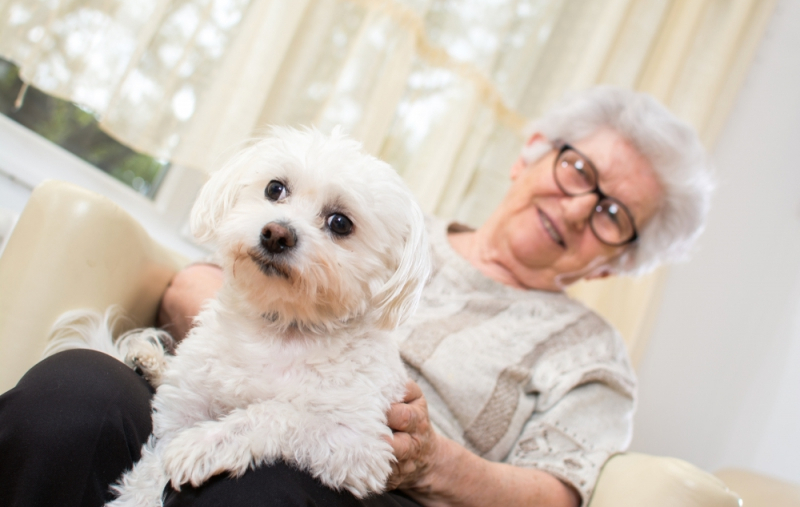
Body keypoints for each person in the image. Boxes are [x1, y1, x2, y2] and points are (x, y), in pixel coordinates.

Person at [0, 86, 713, 507]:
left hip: (368, 486)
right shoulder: (386, 224)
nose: (581, 205)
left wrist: (433, 458)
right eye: (577, 166)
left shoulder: (593, 355)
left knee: (262, 491)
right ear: (530, 151)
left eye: (615, 213)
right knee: (74, 396)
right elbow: (200, 276)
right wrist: (250, 350)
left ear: (619, 263)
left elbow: (560, 494)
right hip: (218, 395)